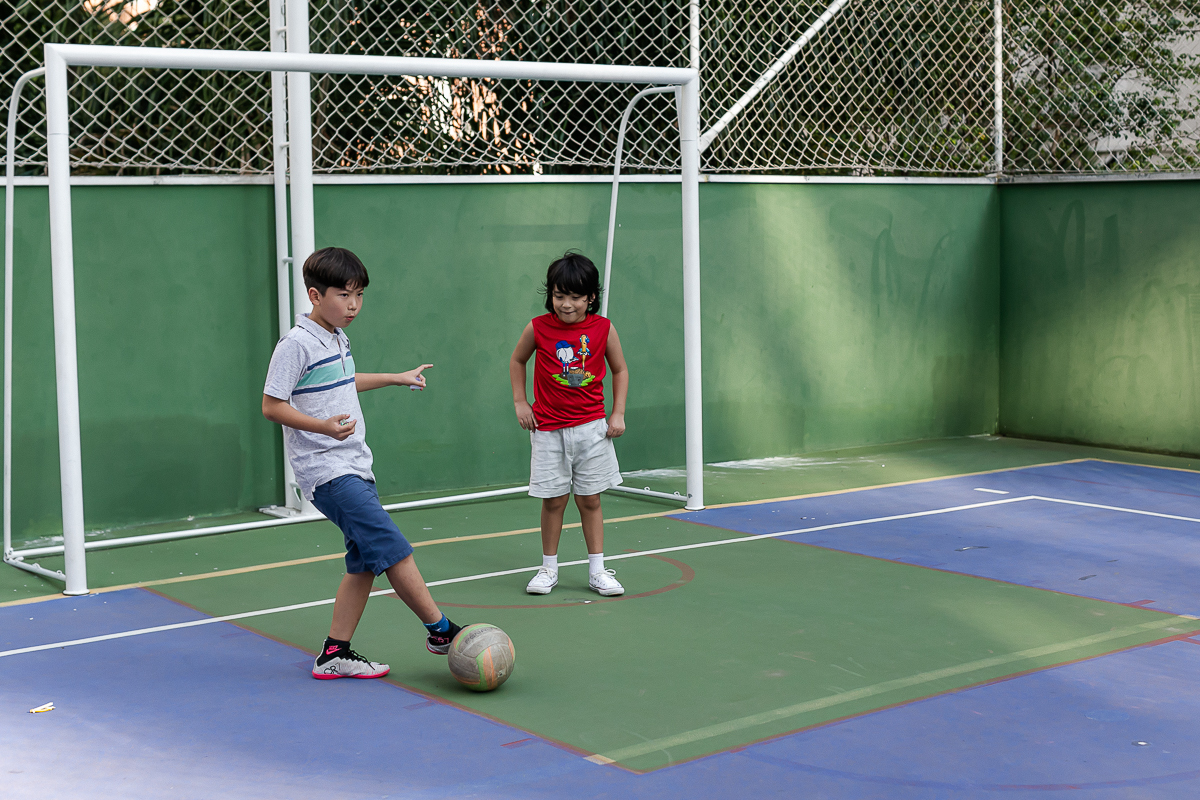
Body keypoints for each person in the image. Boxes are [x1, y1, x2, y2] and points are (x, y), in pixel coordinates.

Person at [262, 247, 461, 679]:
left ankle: (335, 652)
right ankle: (441, 631)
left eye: (360, 295)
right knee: (392, 548)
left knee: (365, 562)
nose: (353, 305)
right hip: (327, 472)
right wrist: (322, 427)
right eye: (344, 295)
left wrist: (394, 377)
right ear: (315, 295)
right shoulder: (295, 344)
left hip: (354, 465)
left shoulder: (335, 336)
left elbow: (342, 382)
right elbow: (272, 405)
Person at [509, 251, 629, 597]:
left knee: (590, 500)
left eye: (575, 297)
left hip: (592, 430)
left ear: (591, 297)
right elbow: (517, 360)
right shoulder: (538, 326)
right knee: (553, 501)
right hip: (547, 430)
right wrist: (520, 402)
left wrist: (617, 413)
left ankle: (597, 570)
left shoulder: (603, 328)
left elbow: (620, 369)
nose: (566, 304)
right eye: (560, 295)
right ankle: (548, 569)